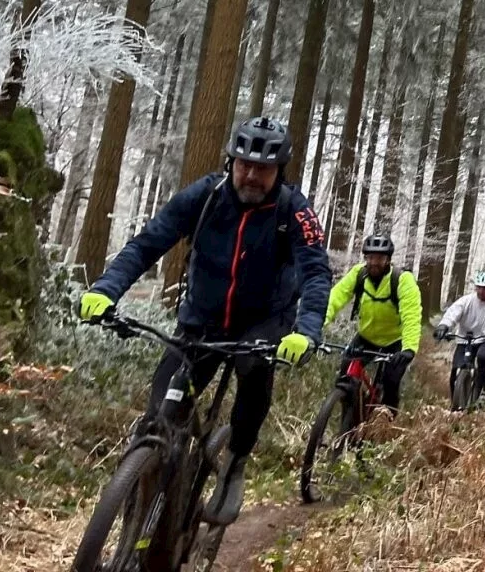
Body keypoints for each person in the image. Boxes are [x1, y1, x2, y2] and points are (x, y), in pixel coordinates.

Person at [77, 117, 330, 526]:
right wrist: (106, 289)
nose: (251, 175)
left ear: (279, 172)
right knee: (161, 415)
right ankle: (147, 504)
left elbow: (316, 273)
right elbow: (147, 244)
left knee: (254, 370)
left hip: (262, 322)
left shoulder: (295, 211)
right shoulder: (205, 196)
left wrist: (307, 330)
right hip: (201, 320)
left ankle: (234, 463)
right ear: (230, 161)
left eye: (263, 169)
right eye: (244, 164)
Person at [322, 233, 422, 413]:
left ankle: (386, 427)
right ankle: (349, 420)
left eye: (380, 258)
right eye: (370, 257)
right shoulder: (358, 274)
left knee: (391, 382)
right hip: (366, 337)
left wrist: (409, 348)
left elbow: (411, 316)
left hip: (395, 341)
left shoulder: (402, 280)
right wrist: (315, 325)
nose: (374, 262)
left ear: (388, 260)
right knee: (345, 375)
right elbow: (335, 298)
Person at [433, 271, 485, 406]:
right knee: (456, 369)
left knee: (482, 357)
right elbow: (452, 314)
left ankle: (483, 391)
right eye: (479, 287)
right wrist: (444, 326)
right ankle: (455, 403)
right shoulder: (466, 301)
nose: (481, 291)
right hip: (465, 339)